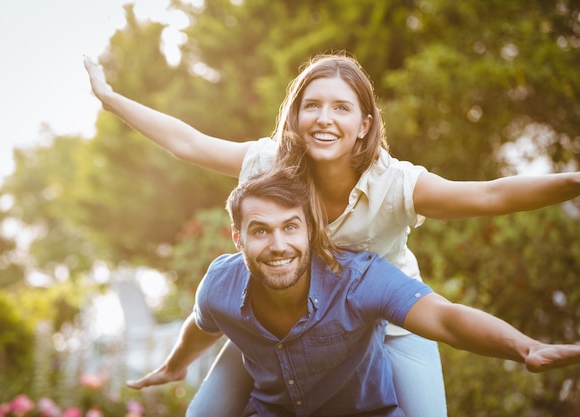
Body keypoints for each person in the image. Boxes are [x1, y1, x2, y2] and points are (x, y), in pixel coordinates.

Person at [83, 52, 580, 417]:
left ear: (365, 125)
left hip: (389, 320)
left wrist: (573, 182)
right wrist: (110, 100)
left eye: (341, 108)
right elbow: (188, 142)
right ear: (295, 117)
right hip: (286, 319)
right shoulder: (268, 162)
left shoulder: (397, 184)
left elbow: (491, 196)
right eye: (312, 106)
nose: (324, 119)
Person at [126, 170, 580, 417]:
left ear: (311, 231)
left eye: (291, 227)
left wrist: (525, 346)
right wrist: (174, 365)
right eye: (260, 231)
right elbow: (201, 325)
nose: (279, 245)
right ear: (237, 238)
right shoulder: (221, 284)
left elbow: (445, 318)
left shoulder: (360, 280)